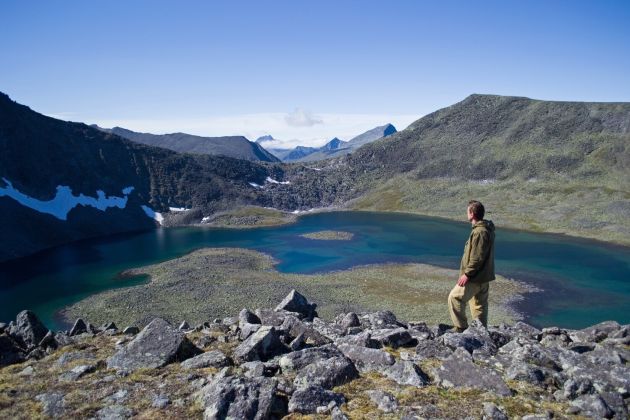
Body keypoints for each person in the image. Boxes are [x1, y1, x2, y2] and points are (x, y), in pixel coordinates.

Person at [448, 200, 495, 331]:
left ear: (472, 213)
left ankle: (461, 328)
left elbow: (477, 257)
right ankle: (481, 332)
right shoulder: (486, 229)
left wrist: (467, 274)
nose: (466, 213)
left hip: (475, 277)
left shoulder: (479, 232)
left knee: (454, 298)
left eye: (467, 210)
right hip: (483, 277)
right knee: (479, 306)